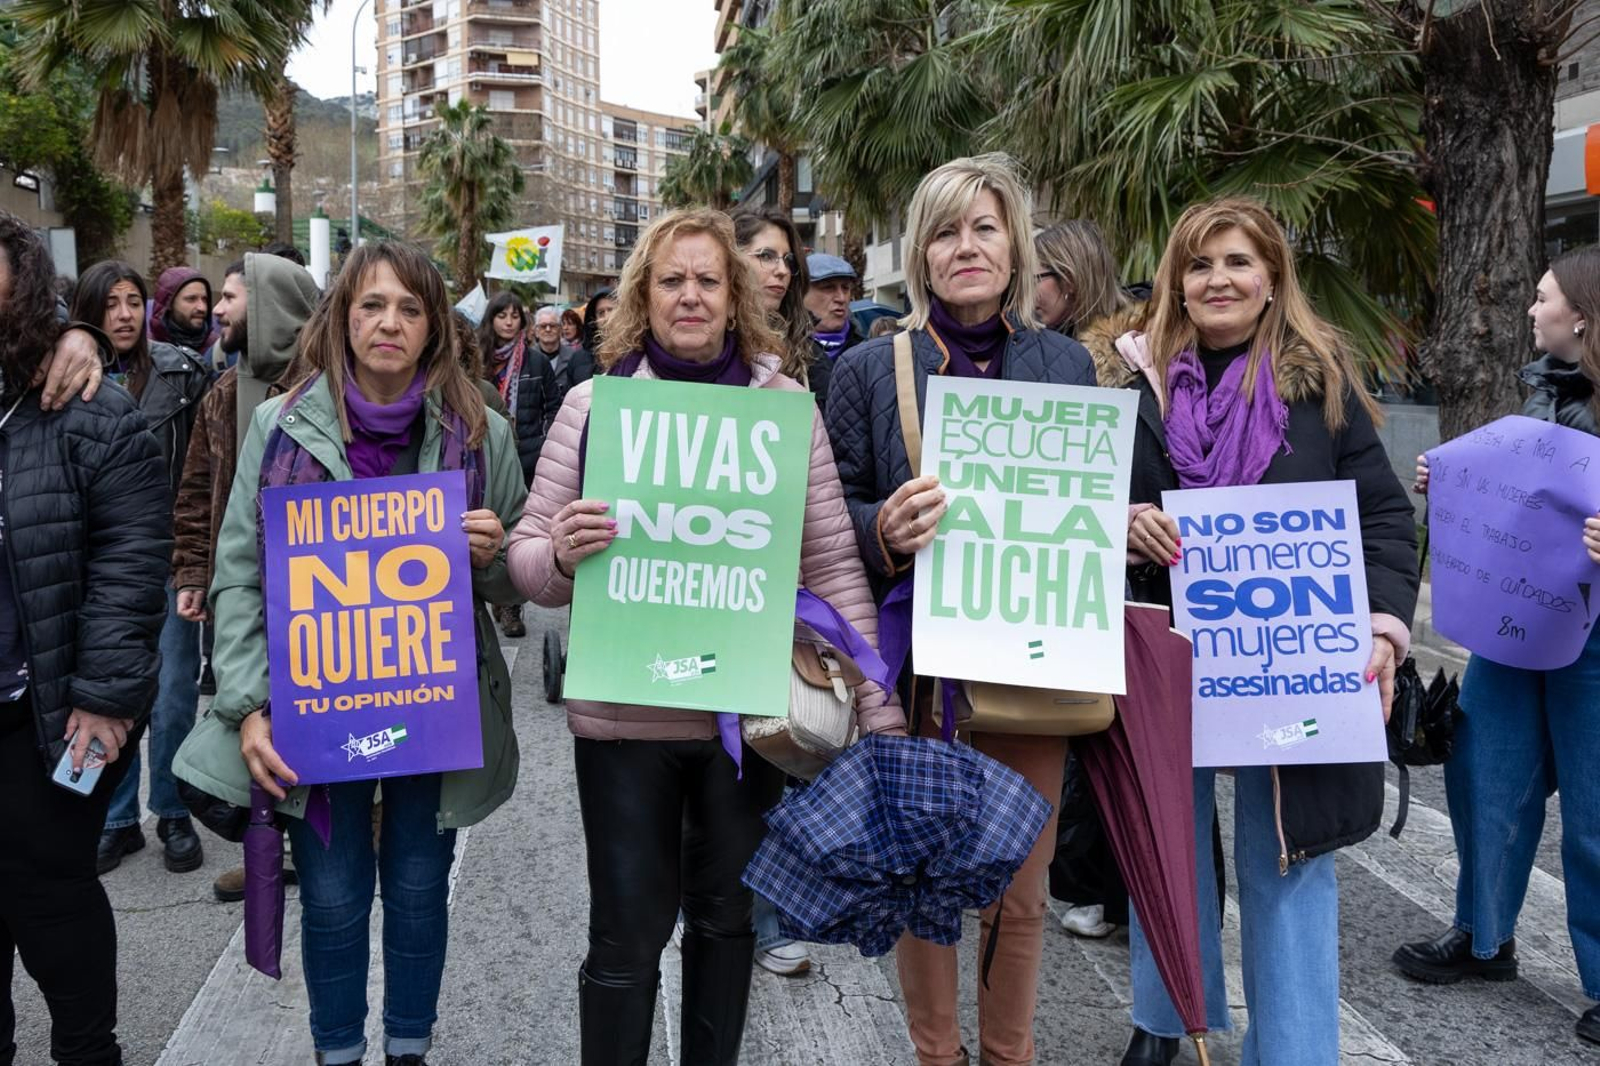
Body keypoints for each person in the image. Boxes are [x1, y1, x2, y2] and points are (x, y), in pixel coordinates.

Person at [507, 207, 903, 1066]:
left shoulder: (785, 409)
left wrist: (879, 710)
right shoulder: (592, 406)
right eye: (671, 280)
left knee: (726, 923)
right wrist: (562, 555)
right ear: (641, 298)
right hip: (624, 722)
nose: (690, 295)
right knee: (625, 935)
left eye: (708, 280)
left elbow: (834, 563)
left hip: (749, 722)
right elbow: (526, 560)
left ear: (736, 299)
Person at [173, 241, 528, 1066]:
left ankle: (409, 1046)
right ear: (342, 318)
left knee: (417, 889)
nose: (389, 323)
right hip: (318, 713)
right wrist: (247, 706)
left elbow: (521, 574)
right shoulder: (280, 424)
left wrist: (496, 552)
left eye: (410, 307)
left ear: (434, 326)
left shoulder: (483, 432)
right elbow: (240, 573)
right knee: (332, 901)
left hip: (435, 713)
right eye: (372, 304)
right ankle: (338, 1051)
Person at [1109, 197, 1417, 1066]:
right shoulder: (1129, 386)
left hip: (1293, 662)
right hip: (1165, 651)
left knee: (1289, 852)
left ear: (1273, 278)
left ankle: (1293, 1050)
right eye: (1199, 264)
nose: (1218, 280)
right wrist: (1121, 524)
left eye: (1238, 262)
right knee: (1166, 846)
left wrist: (1384, 632)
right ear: (1175, 282)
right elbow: (1079, 506)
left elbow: (1384, 518)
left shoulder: (1323, 385)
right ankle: (1165, 1020)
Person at [824, 153, 1097, 1066]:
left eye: (985, 227)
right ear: (920, 254)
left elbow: (1091, 502)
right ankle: (936, 1055)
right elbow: (830, 511)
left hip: (1033, 661)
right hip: (917, 667)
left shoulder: (1067, 363)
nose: (966, 247)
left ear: (1015, 246)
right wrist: (882, 527)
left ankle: (1009, 1055)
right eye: (945, 231)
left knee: (1021, 886)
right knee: (923, 876)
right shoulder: (871, 368)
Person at [1396, 246, 1600, 1048]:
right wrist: (1450, 481)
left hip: (1594, 640)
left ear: (1582, 316)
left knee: (1594, 816)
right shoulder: (1540, 392)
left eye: (1543, 298)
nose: (1531, 309)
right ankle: (1484, 937)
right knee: (1483, 774)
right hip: (1518, 621)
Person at [0, 210, 172, 1066]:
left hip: (45, 711)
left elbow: (132, 559)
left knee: (50, 892)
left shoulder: (90, 409)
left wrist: (105, 698)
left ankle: (87, 1049)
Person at [171, 252, 320, 903]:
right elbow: (197, 489)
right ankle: (266, 845)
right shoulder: (224, 392)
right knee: (246, 716)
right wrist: (193, 570)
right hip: (244, 590)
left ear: (271, 306)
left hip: (315, 594)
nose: (219, 309)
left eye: (233, 297)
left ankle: (317, 842)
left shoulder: (328, 387)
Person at [70, 261, 212, 877]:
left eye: (133, 301)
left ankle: (173, 810)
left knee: (175, 691)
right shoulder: (64, 375)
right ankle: (116, 817)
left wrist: (195, 562)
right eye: (110, 303)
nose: (124, 314)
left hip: (167, 557)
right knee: (107, 689)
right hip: (94, 567)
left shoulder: (183, 373)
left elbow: (204, 472)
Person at [1033, 219, 1140, 941]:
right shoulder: (1048, 354)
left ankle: (1124, 893)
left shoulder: (1118, 365)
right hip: (1075, 572)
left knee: (1118, 744)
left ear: (1066, 283)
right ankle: (1103, 887)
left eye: (1033, 275)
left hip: (1123, 579)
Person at [728, 204, 820, 978]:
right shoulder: (677, 362)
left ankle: (769, 919)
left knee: (771, 756)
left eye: (786, 258)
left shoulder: (800, 365)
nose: (781, 270)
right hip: (691, 593)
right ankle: (710, 908)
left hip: (775, 594)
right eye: (764, 255)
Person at [477, 292, 561, 638]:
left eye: (515, 316)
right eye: (502, 316)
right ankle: (491, 599)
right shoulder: (480, 360)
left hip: (528, 455)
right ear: (491, 320)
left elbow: (552, 405)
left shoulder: (535, 362)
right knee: (487, 525)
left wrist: (545, 444)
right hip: (489, 454)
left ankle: (511, 607)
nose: (509, 322)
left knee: (515, 532)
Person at [804, 252, 865, 411]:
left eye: (846, 288)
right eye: (828, 287)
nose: (841, 298)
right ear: (800, 293)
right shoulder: (781, 355)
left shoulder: (868, 354)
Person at [146, 266, 218, 355]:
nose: (202, 308)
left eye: (204, 299)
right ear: (169, 304)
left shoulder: (217, 349)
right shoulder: (145, 348)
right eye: (191, 299)